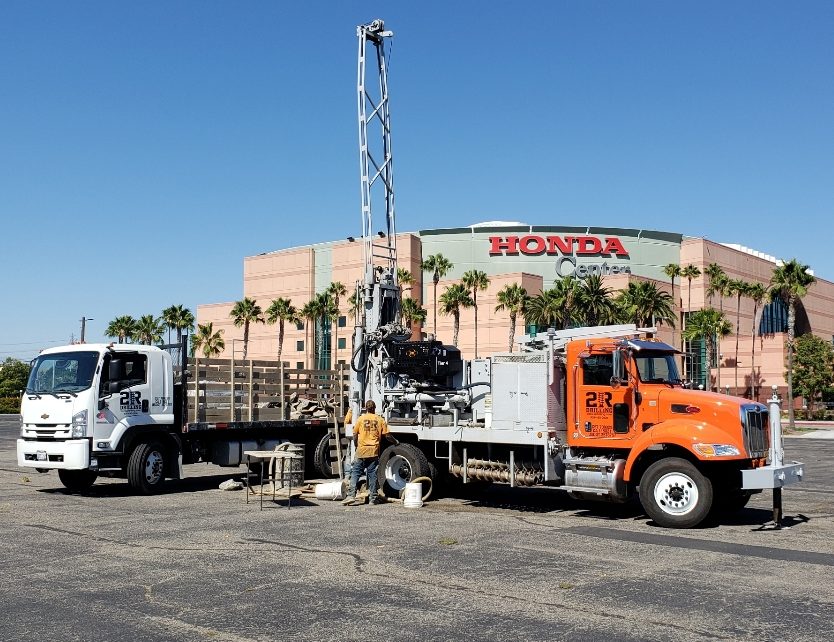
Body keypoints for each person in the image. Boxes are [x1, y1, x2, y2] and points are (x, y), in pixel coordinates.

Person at [342, 400, 397, 506]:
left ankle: (351, 496)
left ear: (365, 408)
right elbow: (388, 435)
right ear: (374, 408)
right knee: (372, 475)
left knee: (355, 473)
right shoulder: (379, 419)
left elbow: (354, 434)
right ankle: (373, 498)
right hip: (373, 451)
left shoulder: (360, 419)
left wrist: (357, 445)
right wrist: (396, 442)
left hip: (361, 450)